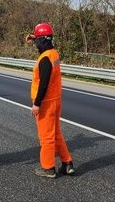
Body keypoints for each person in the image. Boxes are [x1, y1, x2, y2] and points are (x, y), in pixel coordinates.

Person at [26, 23, 75, 178]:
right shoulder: (54, 54)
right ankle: (67, 163)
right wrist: (33, 36)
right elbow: (43, 40)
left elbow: (43, 83)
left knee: (46, 137)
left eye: (36, 40)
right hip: (55, 100)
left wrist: (37, 104)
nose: (35, 44)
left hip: (46, 103)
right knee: (56, 134)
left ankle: (48, 168)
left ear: (42, 40)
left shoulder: (45, 59)